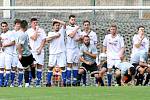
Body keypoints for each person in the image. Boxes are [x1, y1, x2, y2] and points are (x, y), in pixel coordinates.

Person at [46, 19, 66, 87]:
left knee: (62, 67)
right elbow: (47, 39)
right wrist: (55, 36)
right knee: (50, 67)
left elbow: (64, 23)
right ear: (53, 27)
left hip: (61, 52)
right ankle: (48, 83)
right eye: (56, 25)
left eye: (58, 25)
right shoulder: (50, 33)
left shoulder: (61, 31)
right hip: (53, 53)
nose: (57, 27)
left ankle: (64, 82)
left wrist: (56, 20)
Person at [26, 18, 46, 87]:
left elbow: (44, 40)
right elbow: (34, 38)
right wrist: (36, 30)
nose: (36, 24)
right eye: (34, 23)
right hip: (32, 51)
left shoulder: (42, 30)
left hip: (40, 51)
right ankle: (31, 83)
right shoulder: (29, 31)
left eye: (36, 22)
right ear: (31, 24)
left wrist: (40, 48)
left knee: (40, 66)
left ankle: (38, 83)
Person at [17, 20, 35, 87]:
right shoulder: (23, 34)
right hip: (25, 54)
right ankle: (28, 83)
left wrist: (28, 46)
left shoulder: (19, 33)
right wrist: (20, 54)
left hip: (27, 53)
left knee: (30, 66)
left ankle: (28, 82)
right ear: (26, 26)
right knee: (27, 68)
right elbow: (19, 45)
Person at [66, 15, 81, 86]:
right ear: (69, 20)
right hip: (69, 49)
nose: (73, 21)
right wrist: (76, 29)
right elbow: (71, 35)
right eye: (72, 20)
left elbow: (80, 37)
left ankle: (75, 80)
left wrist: (79, 38)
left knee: (75, 64)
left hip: (76, 48)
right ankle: (68, 80)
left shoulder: (78, 28)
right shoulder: (67, 27)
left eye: (74, 20)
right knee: (69, 64)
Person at [0, 22, 15, 87]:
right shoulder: (1, 35)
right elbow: (1, 44)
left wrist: (5, 45)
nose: (4, 27)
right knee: (1, 68)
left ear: (7, 26)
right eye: (2, 26)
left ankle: (6, 83)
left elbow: (13, 42)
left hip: (9, 53)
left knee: (8, 68)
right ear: (1, 27)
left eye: (5, 26)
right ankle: (1, 83)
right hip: (2, 53)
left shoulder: (10, 33)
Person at [10, 19, 24, 87]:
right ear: (15, 25)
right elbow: (14, 42)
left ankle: (20, 83)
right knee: (13, 68)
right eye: (17, 24)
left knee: (21, 68)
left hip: (21, 53)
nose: (18, 26)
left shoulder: (22, 33)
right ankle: (12, 83)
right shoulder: (12, 32)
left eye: (19, 24)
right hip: (14, 53)